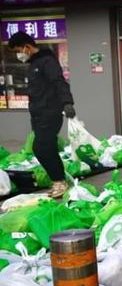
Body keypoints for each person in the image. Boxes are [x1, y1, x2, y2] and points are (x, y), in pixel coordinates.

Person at [9, 31, 76, 198]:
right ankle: (59, 181)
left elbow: (59, 82)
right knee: (46, 148)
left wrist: (67, 103)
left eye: (19, 49)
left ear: (27, 46)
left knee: (41, 148)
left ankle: (59, 181)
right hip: (39, 115)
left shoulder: (47, 61)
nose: (19, 54)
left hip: (50, 112)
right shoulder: (34, 64)